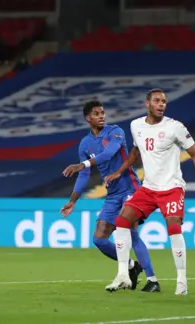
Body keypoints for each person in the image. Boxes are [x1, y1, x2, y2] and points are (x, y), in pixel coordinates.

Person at [103, 88, 195, 295]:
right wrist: (119, 171)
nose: (162, 104)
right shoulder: (136, 126)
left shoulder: (175, 127)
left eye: (164, 101)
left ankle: (181, 280)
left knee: (173, 228)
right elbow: (136, 151)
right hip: (149, 188)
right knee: (122, 221)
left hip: (172, 188)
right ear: (147, 104)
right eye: (157, 101)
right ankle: (123, 274)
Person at [61, 100, 158, 292]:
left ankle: (152, 280)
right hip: (112, 195)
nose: (102, 116)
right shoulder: (85, 144)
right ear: (88, 118)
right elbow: (84, 175)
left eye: (103, 112)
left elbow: (108, 154)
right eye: (97, 113)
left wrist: (83, 164)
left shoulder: (116, 132)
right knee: (99, 239)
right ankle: (132, 266)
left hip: (130, 190)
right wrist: (72, 201)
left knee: (131, 233)